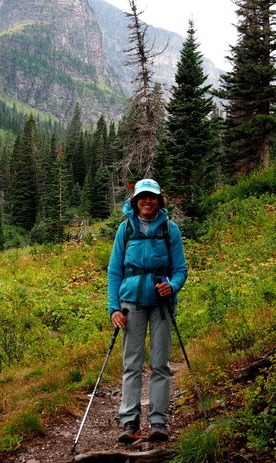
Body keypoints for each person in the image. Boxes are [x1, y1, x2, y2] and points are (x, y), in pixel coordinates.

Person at [107, 178, 187, 444]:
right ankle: (129, 422)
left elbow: (180, 269)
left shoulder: (170, 229)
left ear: (158, 200)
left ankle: (158, 421)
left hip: (161, 304)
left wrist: (172, 286)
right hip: (130, 303)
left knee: (160, 364)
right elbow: (114, 271)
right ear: (135, 201)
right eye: (143, 197)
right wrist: (113, 309)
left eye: (152, 197)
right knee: (131, 364)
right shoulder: (125, 229)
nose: (148, 201)